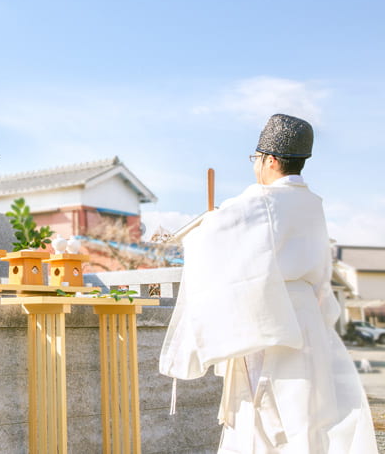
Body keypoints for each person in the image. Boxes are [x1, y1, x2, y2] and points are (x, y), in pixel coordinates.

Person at [159, 114, 377, 453]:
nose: (256, 166)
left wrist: (206, 225)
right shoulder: (312, 204)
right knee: (307, 416)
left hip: (268, 319)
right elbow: (321, 273)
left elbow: (206, 239)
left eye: (256, 159)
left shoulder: (259, 200)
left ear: (270, 159)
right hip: (308, 319)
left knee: (263, 416)